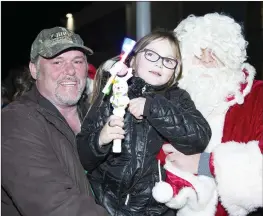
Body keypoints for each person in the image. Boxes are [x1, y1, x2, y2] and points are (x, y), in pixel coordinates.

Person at [76, 29, 212, 216]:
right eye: (151, 55)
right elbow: (83, 156)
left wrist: (153, 108)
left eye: (168, 60)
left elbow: (200, 137)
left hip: (159, 207)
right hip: (106, 206)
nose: (159, 64)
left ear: (175, 70)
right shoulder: (113, 93)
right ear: (132, 60)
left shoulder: (178, 98)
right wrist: (101, 139)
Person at [152, 13, 263, 216]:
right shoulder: (169, 101)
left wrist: (203, 164)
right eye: (197, 53)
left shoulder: (257, 95)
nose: (206, 61)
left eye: (214, 53)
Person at [1, 26, 108, 216]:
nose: (70, 71)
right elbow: (55, 206)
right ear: (34, 70)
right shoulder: (14, 122)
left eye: (77, 61)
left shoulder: (96, 115)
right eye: (57, 62)